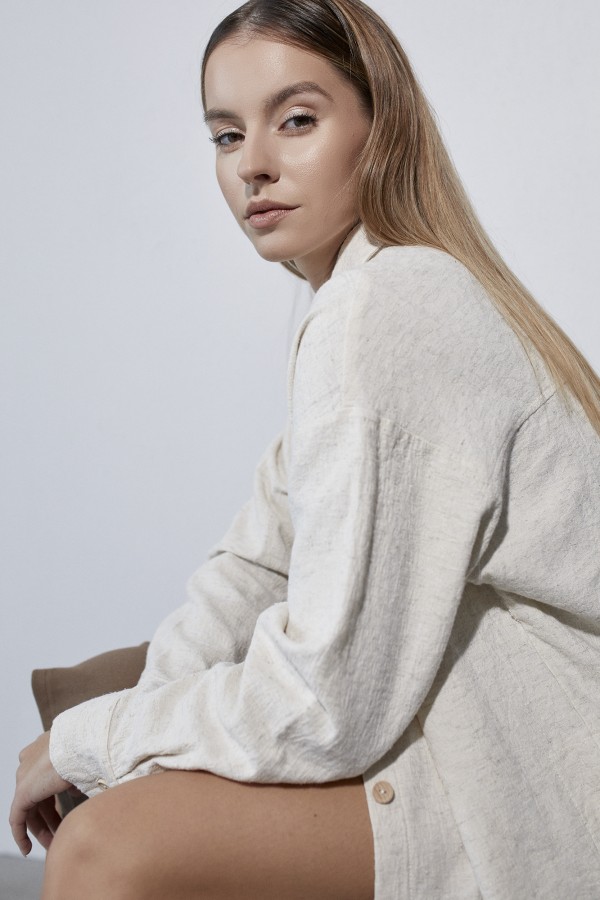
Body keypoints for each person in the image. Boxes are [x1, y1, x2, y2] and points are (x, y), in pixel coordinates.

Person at [10, 0, 600, 897]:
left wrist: (96, 741)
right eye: (225, 135)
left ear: (379, 127)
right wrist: (113, 738)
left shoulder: (390, 308)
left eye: (295, 120)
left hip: (535, 764)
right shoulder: (366, 294)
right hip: (474, 718)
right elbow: (257, 563)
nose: (252, 164)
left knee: (105, 846)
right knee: (102, 701)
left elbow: (330, 702)